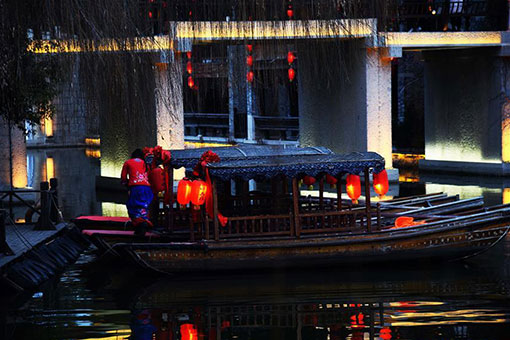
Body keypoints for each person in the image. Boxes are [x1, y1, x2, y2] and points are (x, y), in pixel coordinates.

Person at [121, 149, 153, 236]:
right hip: (147, 188)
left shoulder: (128, 162)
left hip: (135, 188)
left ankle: (139, 226)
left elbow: (123, 177)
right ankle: (144, 223)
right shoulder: (146, 164)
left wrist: (125, 184)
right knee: (144, 207)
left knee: (133, 206)